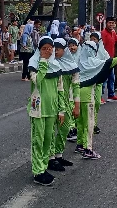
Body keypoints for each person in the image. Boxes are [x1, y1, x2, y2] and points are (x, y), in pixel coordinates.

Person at [77, 32, 117, 158]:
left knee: (80, 121)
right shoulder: (95, 62)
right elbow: (110, 62)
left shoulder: (78, 61)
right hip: (87, 94)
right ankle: (88, 149)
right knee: (89, 122)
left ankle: (80, 144)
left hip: (76, 94)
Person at [28, 36, 64, 186]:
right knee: (38, 139)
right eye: (44, 48)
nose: (48, 51)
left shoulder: (56, 65)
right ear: (39, 49)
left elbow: (60, 89)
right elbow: (38, 80)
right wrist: (42, 61)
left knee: (48, 140)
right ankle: (38, 171)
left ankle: (43, 166)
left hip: (52, 109)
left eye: (50, 48)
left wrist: (61, 109)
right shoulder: (33, 64)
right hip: (38, 108)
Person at [49, 38, 80, 172]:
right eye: (54, 49)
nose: (56, 52)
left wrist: (76, 105)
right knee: (50, 130)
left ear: (64, 50)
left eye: (59, 49)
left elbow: (76, 85)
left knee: (65, 127)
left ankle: (58, 154)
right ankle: (50, 158)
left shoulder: (71, 64)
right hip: (51, 101)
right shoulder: (50, 64)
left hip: (66, 101)